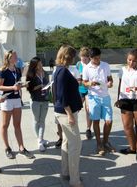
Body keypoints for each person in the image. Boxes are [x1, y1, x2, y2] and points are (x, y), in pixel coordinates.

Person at [53, 45, 83, 187]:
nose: (74, 59)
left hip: (64, 112)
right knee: (76, 145)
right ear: (68, 56)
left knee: (66, 142)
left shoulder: (59, 70)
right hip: (66, 113)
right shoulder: (63, 72)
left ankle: (65, 172)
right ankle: (74, 180)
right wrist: (70, 114)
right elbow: (62, 96)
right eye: (73, 56)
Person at [0, 50, 34, 159]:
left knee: (17, 124)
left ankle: (21, 147)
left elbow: (17, 84)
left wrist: (23, 85)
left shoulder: (17, 70)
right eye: (14, 56)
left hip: (17, 99)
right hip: (7, 100)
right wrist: (13, 88)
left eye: (16, 55)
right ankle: (7, 148)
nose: (16, 57)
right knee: (5, 125)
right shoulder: (2, 71)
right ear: (8, 58)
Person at [115, 49, 137, 162]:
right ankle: (132, 147)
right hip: (125, 99)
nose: (131, 62)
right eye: (129, 60)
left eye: (134, 61)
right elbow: (120, 84)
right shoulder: (122, 70)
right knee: (127, 126)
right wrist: (118, 98)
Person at [82, 47, 114, 155]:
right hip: (93, 97)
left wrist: (110, 83)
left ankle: (106, 141)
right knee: (96, 121)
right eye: (95, 58)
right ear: (90, 58)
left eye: (99, 57)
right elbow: (84, 82)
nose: (98, 59)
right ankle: (99, 144)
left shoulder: (105, 65)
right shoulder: (87, 68)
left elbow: (110, 78)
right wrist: (90, 83)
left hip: (105, 96)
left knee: (108, 121)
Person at [26, 57, 50, 152]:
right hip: (35, 100)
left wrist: (48, 87)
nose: (40, 65)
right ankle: (40, 140)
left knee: (42, 120)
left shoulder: (46, 73)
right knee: (37, 120)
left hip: (45, 99)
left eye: (41, 63)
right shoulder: (31, 75)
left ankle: (40, 139)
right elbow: (29, 89)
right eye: (38, 64)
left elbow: (49, 84)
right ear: (34, 65)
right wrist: (39, 86)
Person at [75, 47, 93, 140]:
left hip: (89, 90)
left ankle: (88, 129)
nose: (83, 59)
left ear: (89, 57)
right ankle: (73, 126)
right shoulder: (78, 64)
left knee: (88, 109)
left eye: (85, 57)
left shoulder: (91, 65)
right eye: (82, 57)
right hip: (80, 89)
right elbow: (75, 76)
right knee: (76, 108)